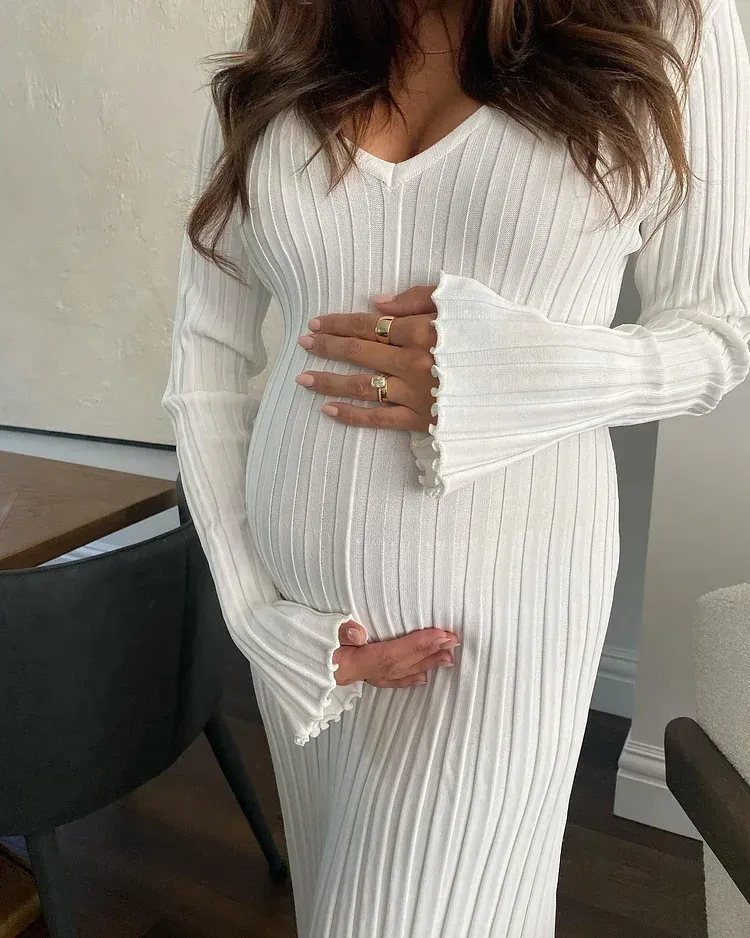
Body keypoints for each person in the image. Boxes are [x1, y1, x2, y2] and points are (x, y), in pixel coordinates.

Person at [161, 0, 750, 933]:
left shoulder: (675, 23)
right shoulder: (293, 25)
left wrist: (517, 369)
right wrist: (255, 614)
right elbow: (204, 358)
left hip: (495, 620)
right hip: (302, 627)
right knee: (333, 896)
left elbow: (719, 336)